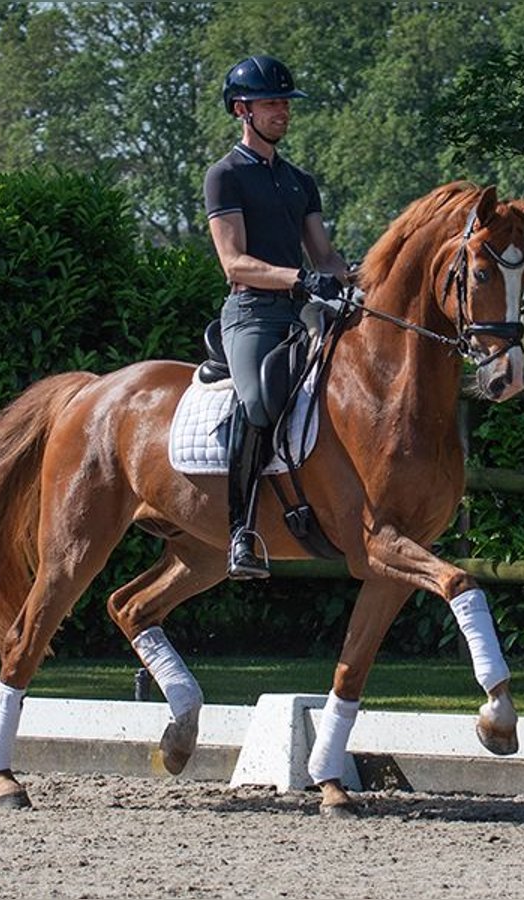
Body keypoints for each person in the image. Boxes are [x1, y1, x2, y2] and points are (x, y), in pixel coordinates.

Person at [204, 54, 352, 580]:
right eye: (272, 104)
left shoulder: (299, 180)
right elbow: (234, 261)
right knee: (260, 400)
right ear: (242, 110)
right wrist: (297, 278)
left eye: (285, 104)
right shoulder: (224, 177)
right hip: (250, 316)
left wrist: (359, 279)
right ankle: (242, 533)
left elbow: (325, 256)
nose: (283, 112)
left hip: (298, 313)